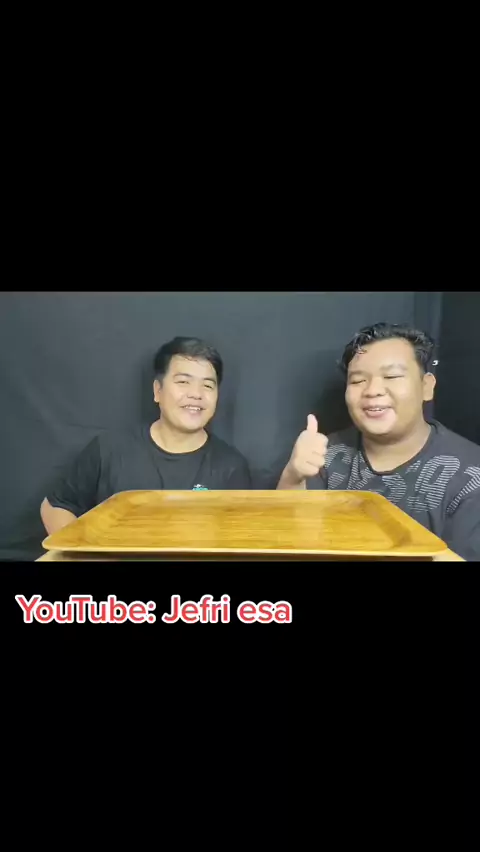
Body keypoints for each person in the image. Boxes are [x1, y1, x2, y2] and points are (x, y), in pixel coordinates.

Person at [277, 322, 480, 560]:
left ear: (426, 387)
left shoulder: (471, 474)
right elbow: (284, 539)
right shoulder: (325, 454)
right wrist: (292, 477)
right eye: (357, 381)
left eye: (392, 376)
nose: (372, 390)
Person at [41, 337, 251, 535]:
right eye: (183, 382)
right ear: (157, 391)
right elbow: (56, 507)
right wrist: (81, 551)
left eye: (207, 385)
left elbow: (240, 536)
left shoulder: (231, 466)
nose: (196, 394)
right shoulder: (109, 449)